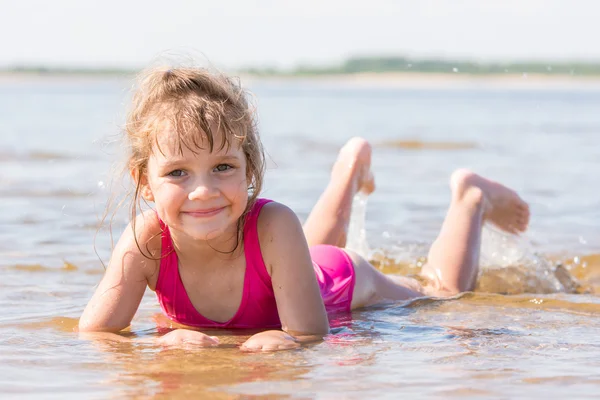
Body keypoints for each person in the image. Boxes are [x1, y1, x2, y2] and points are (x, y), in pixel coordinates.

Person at [79, 66, 530, 351]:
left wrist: (288, 339)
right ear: (145, 183)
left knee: (443, 293)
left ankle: (471, 197)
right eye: (178, 173)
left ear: (249, 169)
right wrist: (165, 342)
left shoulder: (274, 224)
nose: (203, 191)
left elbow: (311, 332)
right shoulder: (146, 241)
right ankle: (349, 171)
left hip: (338, 281)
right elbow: (94, 334)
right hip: (292, 267)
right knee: (301, 251)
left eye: (222, 167)